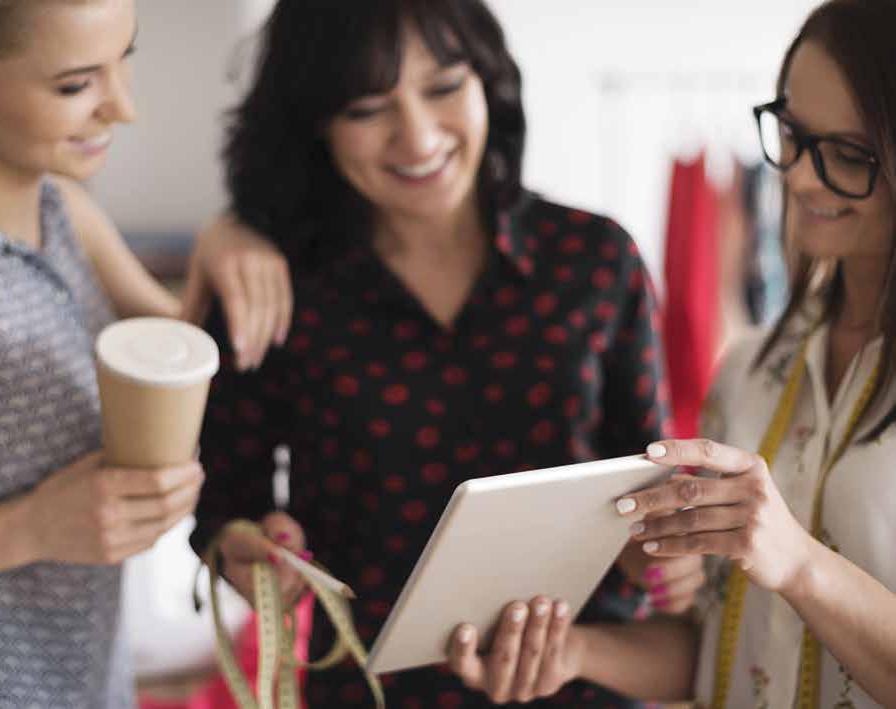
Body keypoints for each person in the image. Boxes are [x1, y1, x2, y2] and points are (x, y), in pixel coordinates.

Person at [189, 0, 703, 706]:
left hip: (583, 681)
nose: (418, 136)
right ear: (316, 122)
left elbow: (650, 484)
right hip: (369, 690)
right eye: (368, 107)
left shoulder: (594, 261)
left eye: (443, 87)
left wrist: (668, 551)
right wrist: (250, 551)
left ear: (488, 80)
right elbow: (220, 510)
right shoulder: (273, 286)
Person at [496, 1, 896, 706]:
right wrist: (573, 651)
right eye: (793, 135)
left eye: (846, 154)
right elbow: (718, 648)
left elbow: (792, 577)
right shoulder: (749, 372)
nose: (798, 178)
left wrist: (800, 564)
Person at [0, 1, 285, 706]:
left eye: (122, 62)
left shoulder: (59, 208)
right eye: (77, 85)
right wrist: (29, 528)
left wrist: (229, 235)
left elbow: (193, 351)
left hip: (81, 676)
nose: (124, 109)